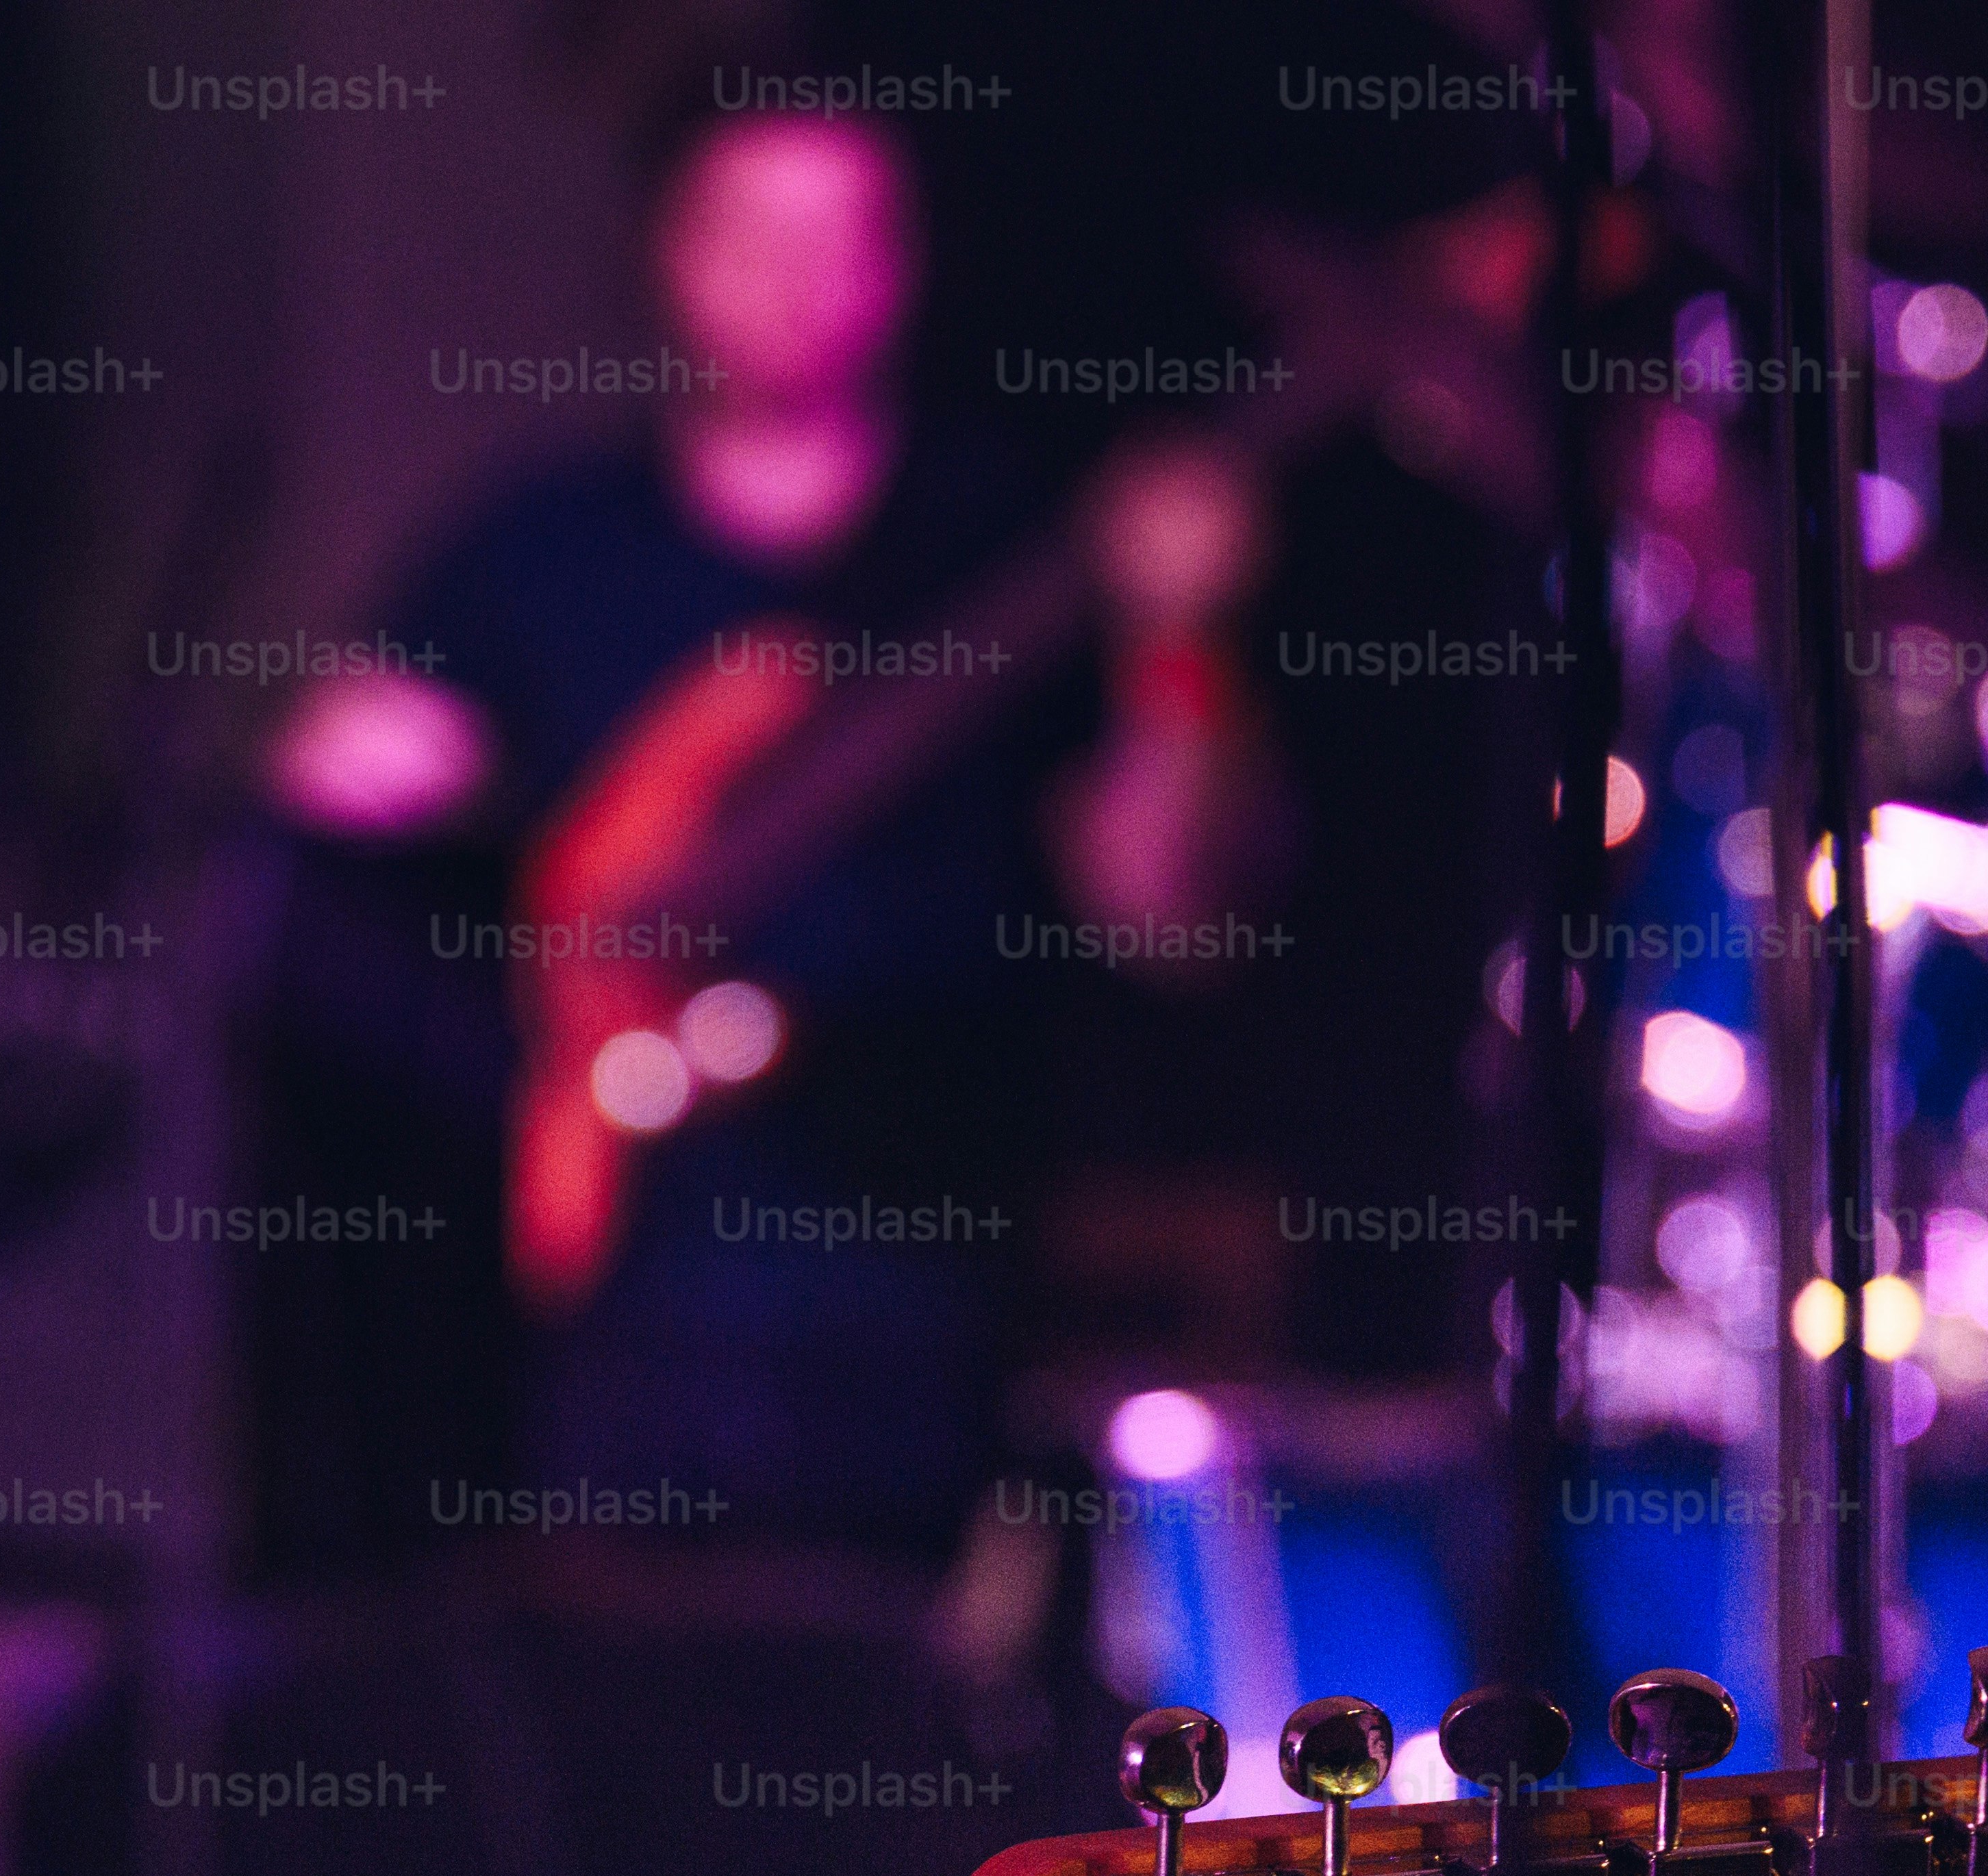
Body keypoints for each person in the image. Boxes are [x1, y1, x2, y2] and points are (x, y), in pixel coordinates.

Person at [257, 107, 1277, 1563]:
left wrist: (1183, 637)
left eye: (844, 239)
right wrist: (523, 1052)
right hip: (604, 1306)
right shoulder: (546, 544)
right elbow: (318, 838)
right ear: (671, 258)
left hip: (927, 1294)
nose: (802, 280)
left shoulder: (1002, 536)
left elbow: (1175, 914)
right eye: (757, 235)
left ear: (904, 269)